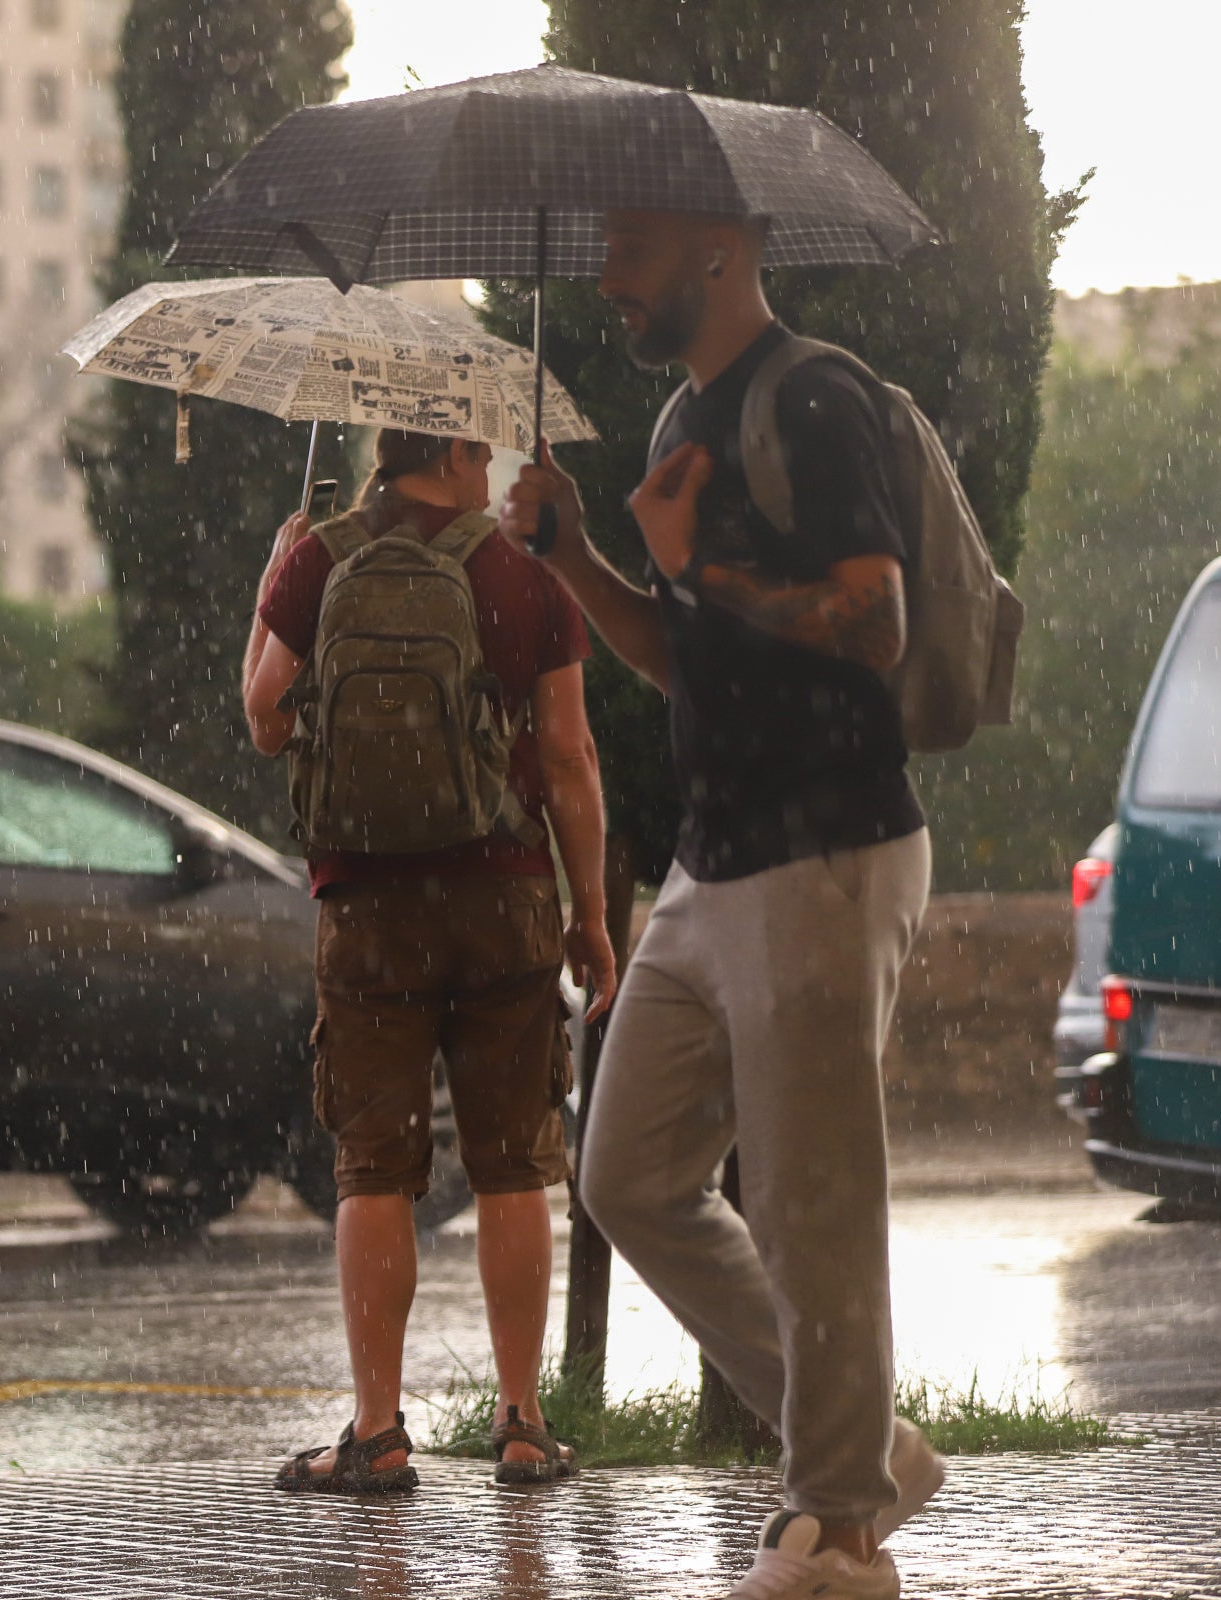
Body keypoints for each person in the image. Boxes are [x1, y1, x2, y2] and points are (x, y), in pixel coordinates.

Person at [503, 209, 940, 1600]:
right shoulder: (675, 425)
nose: (606, 280)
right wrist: (577, 555)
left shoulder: (815, 399)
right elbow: (672, 651)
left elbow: (878, 620)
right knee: (624, 1171)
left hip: (826, 848)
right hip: (713, 860)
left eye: (629, 252)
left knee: (817, 1203)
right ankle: (867, 1450)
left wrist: (702, 567)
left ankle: (840, 1529)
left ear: (718, 248)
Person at [242, 427, 617, 1494]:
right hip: (503, 897)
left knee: (374, 1171)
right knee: (512, 1165)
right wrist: (589, 915)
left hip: (366, 902)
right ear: (450, 450)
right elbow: (568, 755)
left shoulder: (317, 555)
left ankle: (377, 1430)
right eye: (481, 449)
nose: (492, 468)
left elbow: (264, 718)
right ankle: (524, 1423)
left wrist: (271, 582)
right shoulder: (525, 568)